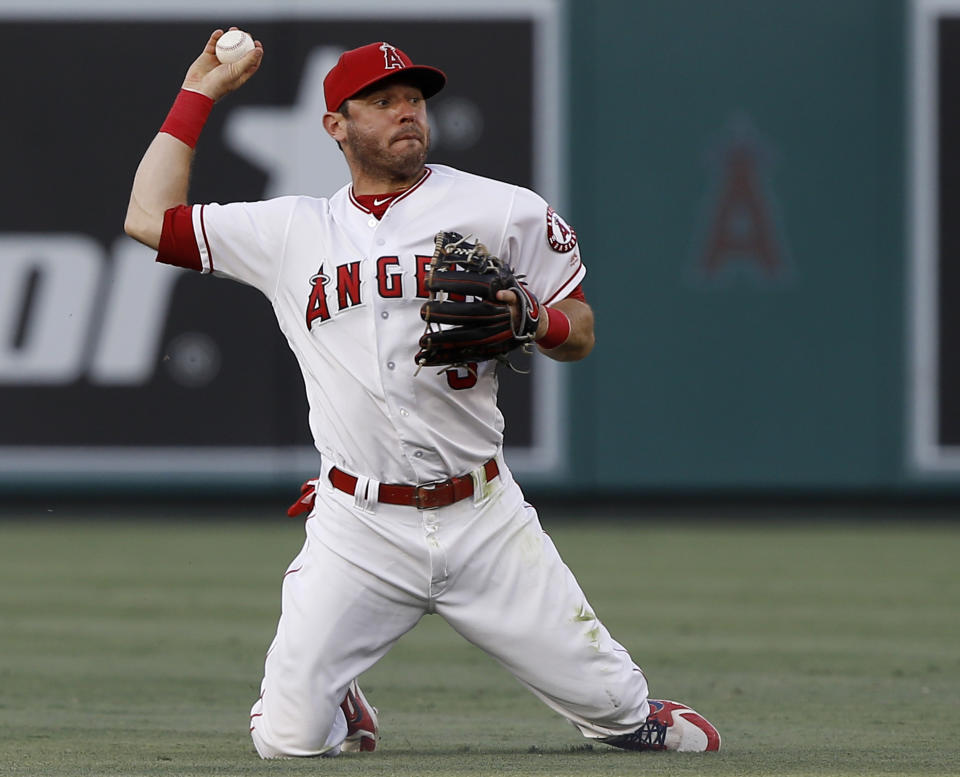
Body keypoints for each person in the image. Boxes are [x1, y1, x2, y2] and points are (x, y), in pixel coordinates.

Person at [124, 30, 721, 758]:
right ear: (335, 127)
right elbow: (147, 219)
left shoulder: (500, 211)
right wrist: (200, 92)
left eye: (413, 99)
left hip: (483, 518)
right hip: (359, 524)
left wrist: (539, 318)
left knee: (635, 725)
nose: (407, 112)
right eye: (382, 102)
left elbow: (583, 329)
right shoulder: (291, 230)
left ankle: (626, 706)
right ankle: (339, 698)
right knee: (289, 741)